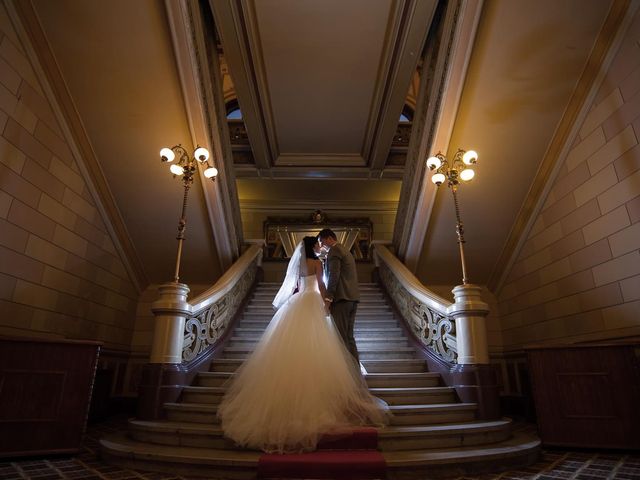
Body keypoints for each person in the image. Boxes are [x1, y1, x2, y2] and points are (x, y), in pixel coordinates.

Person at [217, 236, 387, 454]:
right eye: (316, 244)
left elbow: (295, 285)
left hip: (297, 303)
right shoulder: (317, 263)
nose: (318, 246)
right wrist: (327, 301)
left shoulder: (297, 263)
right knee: (319, 345)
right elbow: (322, 284)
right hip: (312, 301)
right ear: (311, 247)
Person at [318, 229, 360, 364]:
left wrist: (328, 299)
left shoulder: (334, 251)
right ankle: (355, 370)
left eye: (323, 241)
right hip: (352, 298)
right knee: (349, 337)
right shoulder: (345, 250)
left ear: (329, 238)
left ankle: (347, 374)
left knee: (340, 338)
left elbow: (333, 276)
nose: (323, 245)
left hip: (341, 299)